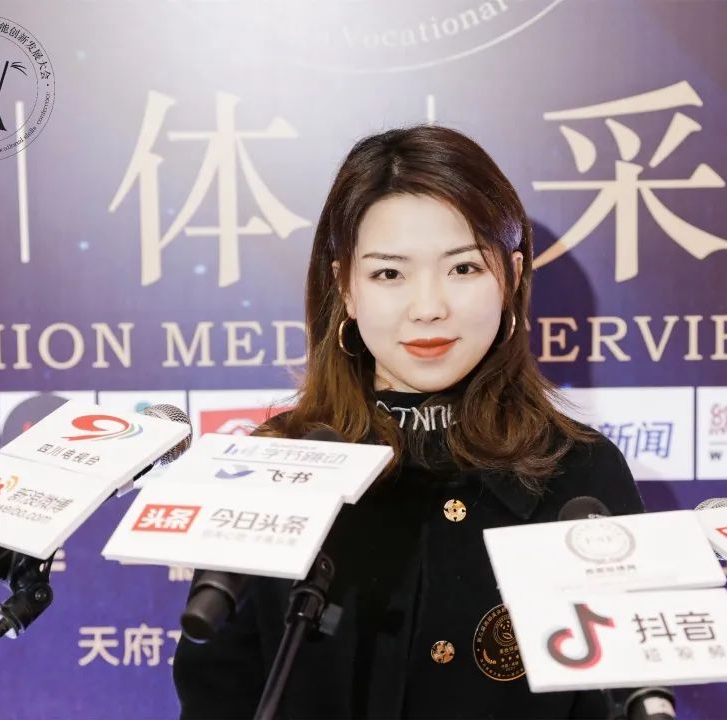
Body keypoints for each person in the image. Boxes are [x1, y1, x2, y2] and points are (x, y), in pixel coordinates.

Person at [172, 124, 645, 719]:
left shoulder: (580, 474)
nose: (428, 308)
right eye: (389, 274)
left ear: (512, 276)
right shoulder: (270, 467)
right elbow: (216, 695)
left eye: (463, 269)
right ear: (346, 287)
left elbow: (622, 697)